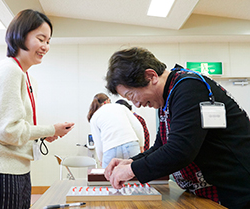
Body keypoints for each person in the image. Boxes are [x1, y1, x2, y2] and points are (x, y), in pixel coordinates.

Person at [104, 47, 250, 209]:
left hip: (236, 190)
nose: (136, 104)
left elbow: (180, 151)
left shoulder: (189, 87)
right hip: (209, 192)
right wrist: (131, 161)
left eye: (131, 96)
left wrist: (131, 170)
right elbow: (161, 146)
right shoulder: (167, 98)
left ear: (151, 76)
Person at [0, 9, 74, 209]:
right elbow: (8, 131)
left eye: (48, 41)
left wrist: (40, 135)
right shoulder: (9, 71)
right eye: (41, 39)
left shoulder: (24, 74)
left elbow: (14, 128)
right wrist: (51, 129)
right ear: (20, 35)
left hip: (14, 169)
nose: (46, 46)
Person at [87, 93, 144, 168]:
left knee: (109, 177)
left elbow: (98, 143)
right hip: (130, 143)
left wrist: (101, 159)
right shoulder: (121, 107)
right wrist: (141, 146)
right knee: (136, 175)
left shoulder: (94, 117)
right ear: (107, 101)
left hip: (110, 148)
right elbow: (138, 127)